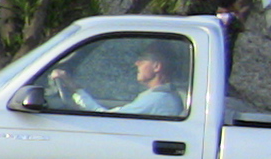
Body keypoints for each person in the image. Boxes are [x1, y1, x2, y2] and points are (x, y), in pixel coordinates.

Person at [50, 42, 187, 116]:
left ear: (157, 66)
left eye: (143, 59)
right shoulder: (161, 96)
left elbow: (105, 118)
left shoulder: (157, 100)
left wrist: (74, 88)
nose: (137, 63)